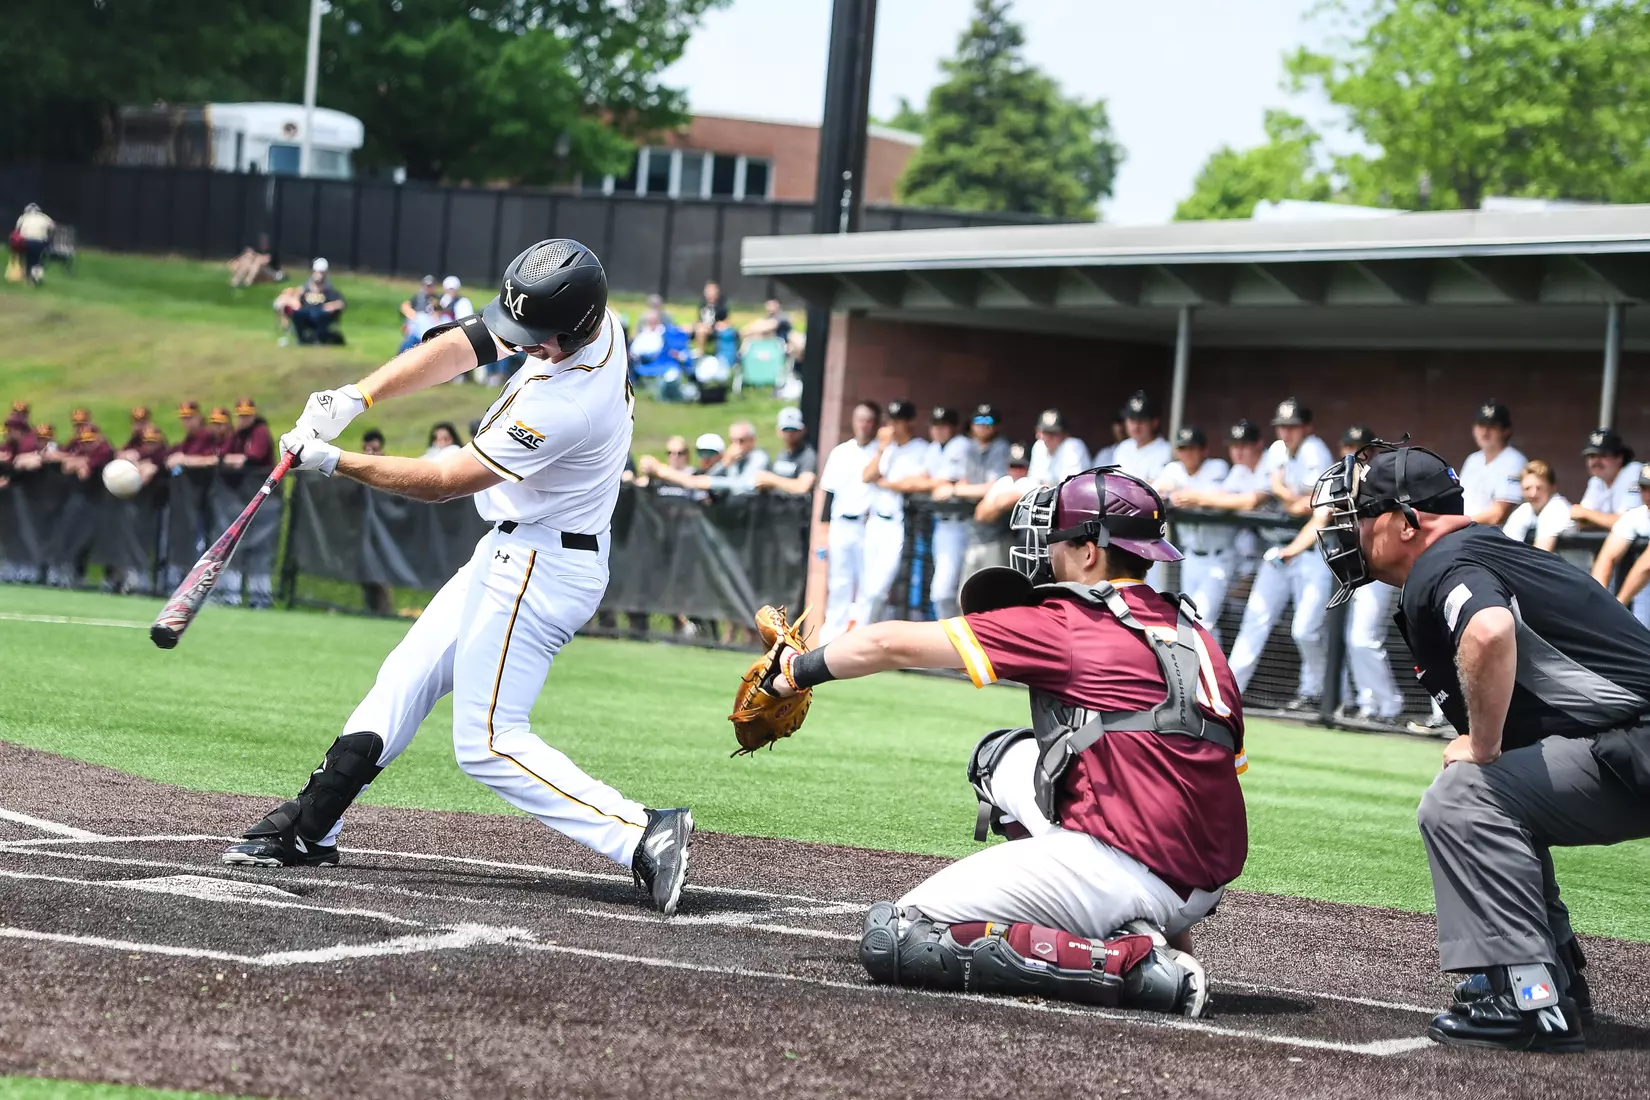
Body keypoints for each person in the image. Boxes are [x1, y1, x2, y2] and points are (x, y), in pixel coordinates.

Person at [218, 238, 693, 916]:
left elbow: (444, 481)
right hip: (516, 550)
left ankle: (642, 833)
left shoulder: (568, 403)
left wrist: (335, 460)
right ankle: (312, 824)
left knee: (488, 742)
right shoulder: (589, 317)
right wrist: (359, 394)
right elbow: (468, 343)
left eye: (537, 337)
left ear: (576, 326)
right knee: (404, 678)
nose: (521, 344)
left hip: (539, 565)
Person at [760, 468, 1246, 1015]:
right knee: (999, 760)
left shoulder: (1068, 619)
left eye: (1059, 539)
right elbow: (1201, 775)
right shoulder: (1195, 633)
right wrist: (1178, 919)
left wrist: (791, 674)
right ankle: (1143, 929)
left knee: (900, 934)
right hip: (1200, 880)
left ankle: (1134, 969)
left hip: (1124, 866)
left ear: (1090, 552)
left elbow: (887, 643)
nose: (1047, 550)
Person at [1312, 440, 1650, 1052]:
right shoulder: (1474, 549)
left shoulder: (1445, 562)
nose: (1350, 528)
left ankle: (1527, 1000)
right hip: (1629, 743)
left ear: (1408, 521)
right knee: (1497, 798)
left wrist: (1484, 743)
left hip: (1638, 743)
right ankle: (1555, 981)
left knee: (1466, 794)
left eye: (1364, 514)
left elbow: (1489, 631)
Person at [1269, 427, 1404, 724]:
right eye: (1349, 446)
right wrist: (1291, 551)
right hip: (1352, 567)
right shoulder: (1337, 481)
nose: (1356, 452)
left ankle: (1388, 707)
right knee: (1347, 637)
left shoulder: (1388, 480)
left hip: (1381, 566)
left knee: (1363, 638)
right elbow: (1318, 519)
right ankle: (1366, 706)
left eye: (1361, 447)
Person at [1226, 398, 1334, 710]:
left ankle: (1322, 693)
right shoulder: (1276, 450)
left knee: (1306, 630)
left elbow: (1309, 505)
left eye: (1292, 426)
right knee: (1255, 619)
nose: (1286, 432)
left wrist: (1289, 497)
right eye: (1282, 426)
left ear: (1306, 428)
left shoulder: (1316, 451)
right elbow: (1284, 492)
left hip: (1312, 550)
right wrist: (1291, 497)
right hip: (1277, 549)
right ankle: (1229, 694)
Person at [1153, 427, 1231, 639]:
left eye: (1192, 448)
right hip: (1191, 559)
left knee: (1203, 621)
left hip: (1218, 558)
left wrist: (1192, 496)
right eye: (1182, 448)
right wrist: (1166, 489)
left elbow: (1220, 496)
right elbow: (1157, 488)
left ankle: (1211, 671)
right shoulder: (1174, 469)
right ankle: (1214, 670)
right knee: (1190, 621)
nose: (1187, 453)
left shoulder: (1217, 467)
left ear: (1204, 450)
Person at [860, 400, 933, 623]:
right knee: (867, 588)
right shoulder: (886, 449)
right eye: (891, 421)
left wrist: (887, 484)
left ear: (910, 422)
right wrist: (881, 449)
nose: (893, 426)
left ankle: (866, 638)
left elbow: (917, 483)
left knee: (878, 589)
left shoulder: (922, 448)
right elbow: (867, 476)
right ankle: (862, 638)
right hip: (875, 521)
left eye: (898, 421)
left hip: (900, 524)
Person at [817, 402, 881, 642]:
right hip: (842, 523)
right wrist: (824, 532)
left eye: (869, 420)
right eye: (860, 419)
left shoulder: (880, 452)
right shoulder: (841, 452)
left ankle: (860, 637)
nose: (864, 425)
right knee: (839, 582)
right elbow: (828, 494)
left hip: (870, 524)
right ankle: (830, 637)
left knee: (867, 585)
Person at [949, 404, 1014, 581]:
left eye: (989, 420)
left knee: (993, 596)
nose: (983, 424)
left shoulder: (1001, 447)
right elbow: (963, 482)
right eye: (978, 420)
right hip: (972, 532)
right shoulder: (970, 447)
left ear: (997, 426)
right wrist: (963, 489)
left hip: (997, 534)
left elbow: (993, 487)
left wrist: (955, 490)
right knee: (966, 595)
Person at [921, 406, 973, 619]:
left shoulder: (962, 445)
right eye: (935, 425)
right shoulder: (934, 448)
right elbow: (923, 479)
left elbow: (945, 481)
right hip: (940, 525)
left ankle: (954, 641)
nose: (938, 430)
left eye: (943, 426)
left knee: (945, 592)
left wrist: (924, 484)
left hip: (961, 525)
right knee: (941, 592)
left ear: (953, 427)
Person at [1588, 467, 1650, 628]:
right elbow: (1607, 557)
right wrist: (1599, 602)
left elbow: (1646, 566)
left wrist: (1618, 607)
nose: (1647, 495)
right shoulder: (1636, 516)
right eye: (1644, 488)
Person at [1503, 460, 1590, 572]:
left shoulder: (1557, 508)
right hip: (1554, 575)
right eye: (1527, 488)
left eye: (1539, 488)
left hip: (1575, 577)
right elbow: (1507, 548)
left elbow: (1540, 557)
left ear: (1552, 487)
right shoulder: (1524, 510)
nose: (1533, 494)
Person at [1458, 401, 1526, 527]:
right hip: (1466, 531)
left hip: (1493, 537)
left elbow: (1498, 515)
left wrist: (1455, 523)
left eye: (1492, 426)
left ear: (1506, 430)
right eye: (1481, 425)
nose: (1485, 431)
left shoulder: (1514, 460)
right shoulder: (1473, 459)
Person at [1569, 428, 1642, 532]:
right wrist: (1588, 515)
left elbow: (1627, 523)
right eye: (1592, 456)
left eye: (1603, 455)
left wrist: (1587, 514)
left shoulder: (1634, 472)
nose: (1596, 461)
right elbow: (1581, 519)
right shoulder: (1596, 480)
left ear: (1619, 458)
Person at [751, 407, 817, 496]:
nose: (790, 434)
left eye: (794, 430)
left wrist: (771, 479)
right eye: (786, 430)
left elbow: (803, 487)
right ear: (779, 431)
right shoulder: (782, 454)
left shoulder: (808, 455)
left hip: (797, 506)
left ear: (803, 431)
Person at [1110, 391, 1172, 482]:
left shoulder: (1167, 451)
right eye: (1132, 420)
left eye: (1141, 421)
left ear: (1154, 422)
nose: (1135, 427)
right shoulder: (1123, 448)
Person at [290, 259, 347, 346]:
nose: (318, 275)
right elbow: (295, 298)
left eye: (321, 272)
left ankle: (318, 339)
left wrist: (332, 305)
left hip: (321, 315)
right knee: (297, 313)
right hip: (306, 313)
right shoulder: (305, 289)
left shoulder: (329, 291)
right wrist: (296, 301)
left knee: (319, 315)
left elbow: (342, 303)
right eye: (316, 272)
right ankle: (301, 339)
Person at [1027, 409, 1090, 486]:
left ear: (1065, 434)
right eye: (1045, 432)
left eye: (1053, 433)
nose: (1048, 437)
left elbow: (1071, 484)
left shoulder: (1073, 446)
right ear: (1038, 433)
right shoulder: (1039, 446)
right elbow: (1033, 480)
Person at [167, 401, 221, 470]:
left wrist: (185, 460)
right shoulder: (189, 437)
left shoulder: (208, 435)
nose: (186, 422)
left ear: (199, 417)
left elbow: (215, 459)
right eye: (184, 419)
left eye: (190, 418)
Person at [14, 203, 54, 285]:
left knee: (27, 259)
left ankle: (27, 278)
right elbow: (53, 226)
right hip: (40, 242)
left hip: (26, 242)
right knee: (37, 261)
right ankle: (36, 278)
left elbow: (16, 229)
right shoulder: (44, 217)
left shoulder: (24, 217)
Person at [694, 280, 729, 355]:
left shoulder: (721, 306)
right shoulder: (703, 305)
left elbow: (727, 321)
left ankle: (700, 354)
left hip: (713, 330)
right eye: (707, 290)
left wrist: (719, 325)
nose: (708, 292)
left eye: (711, 290)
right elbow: (699, 320)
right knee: (683, 328)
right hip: (702, 326)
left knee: (701, 331)